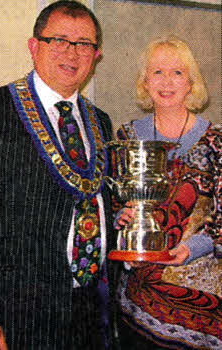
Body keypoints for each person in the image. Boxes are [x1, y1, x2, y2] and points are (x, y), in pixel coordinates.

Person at [0, 1, 116, 349]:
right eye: (59, 40)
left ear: (96, 55)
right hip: (17, 313)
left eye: (84, 43)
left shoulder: (100, 121)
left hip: (91, 308)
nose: (72, 52)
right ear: (34, 45)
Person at [115, 36, 222, 350]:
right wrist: (120, 218)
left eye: (177, 72)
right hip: (137, 302)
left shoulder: (217, 140)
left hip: (203, 303)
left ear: (191, 83)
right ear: (145, 82)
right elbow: (110, 204)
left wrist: (194, 248)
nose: (166, 81)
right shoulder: (127, 136)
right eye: (157, 72)